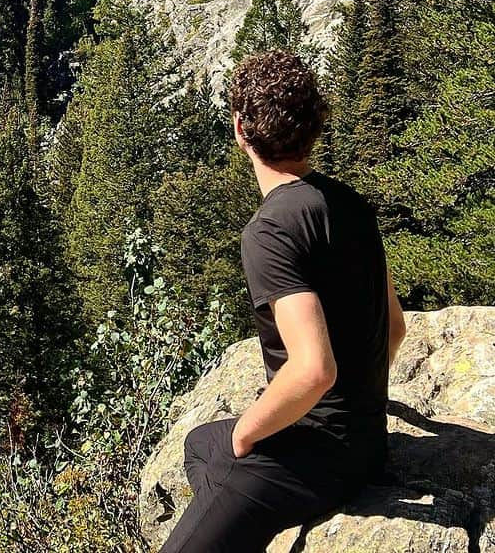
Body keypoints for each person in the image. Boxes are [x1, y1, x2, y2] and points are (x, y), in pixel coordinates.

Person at [160, 50, 408, 553]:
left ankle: (231, 516)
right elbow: (395, 327)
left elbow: (313, 370)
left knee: (224, 450)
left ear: (239, 130)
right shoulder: (350, 205)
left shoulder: (271, 230)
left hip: (314, 457)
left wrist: (246, 435)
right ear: (313, 127)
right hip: (368, 444)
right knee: (197, 443)